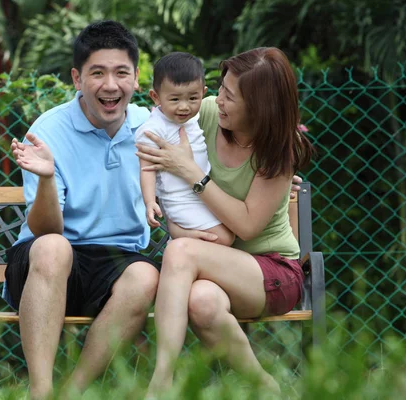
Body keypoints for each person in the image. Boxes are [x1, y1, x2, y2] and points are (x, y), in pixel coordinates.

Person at [135, 47, 315, 396]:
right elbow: (155, 119)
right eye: (221, 89)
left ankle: (161, 383)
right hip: (215, 263)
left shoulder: (278, 151)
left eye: (230, 96)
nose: (218, 101)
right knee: (201, 300)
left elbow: (247, 227)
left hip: (272, 270)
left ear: (259, 106)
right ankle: (267, 388)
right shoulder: (205, 113)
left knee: (180, 252)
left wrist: (191, 173)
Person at [2, 20, 161, 399]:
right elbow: (44, 230)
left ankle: (72, 392)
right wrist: (43, 179)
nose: (111, 85)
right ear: (77, 78)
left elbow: (203, 165)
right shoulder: (49, 131)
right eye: (97, 73)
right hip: (49, 262)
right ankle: (40, 392)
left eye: (121, 73)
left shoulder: (151, 128)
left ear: (136, 79)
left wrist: (269, 177)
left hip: (116, 262)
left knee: (145, 276)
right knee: (55, 247)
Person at [135, 52, 235, 246]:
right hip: (179, 199)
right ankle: (179, 233)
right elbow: (146, 169)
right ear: (156, 97)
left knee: (230, 229)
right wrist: (149, 202)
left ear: (203, 93)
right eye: (174, 100)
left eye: (192, 98)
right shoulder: (152, 130)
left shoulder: (197, 118)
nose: (184, 107)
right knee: (224, 237)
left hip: (202, 191)